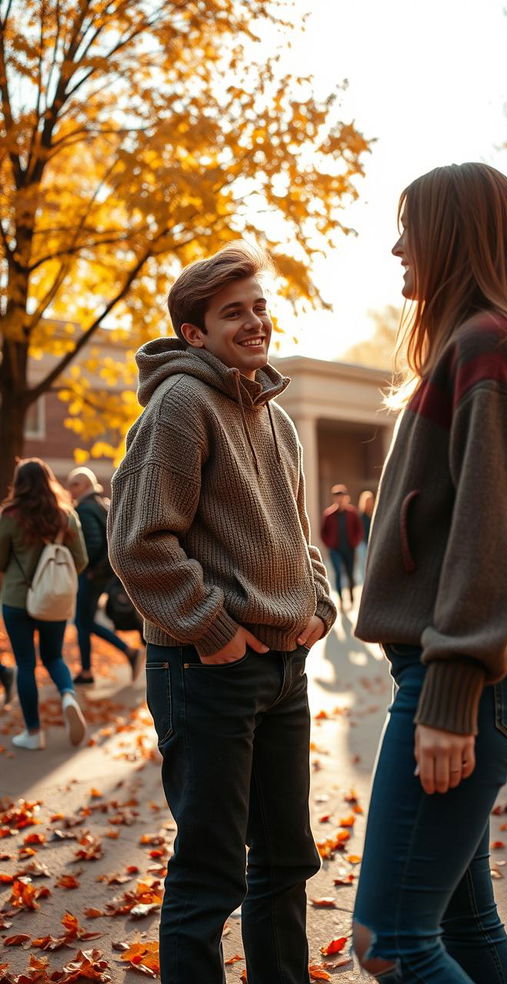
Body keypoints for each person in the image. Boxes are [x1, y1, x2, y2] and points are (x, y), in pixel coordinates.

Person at [352, 162, 507, 984]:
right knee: (459, 916)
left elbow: (495, 537)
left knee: (389, 944)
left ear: (454, 235)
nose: (396, 248)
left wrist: (449, 692)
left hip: (466, 680)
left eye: (409, 229)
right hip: (465, 672)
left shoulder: (490, 346)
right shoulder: (476, 344)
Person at [108, 241, 336, 984]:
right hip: (206, 670)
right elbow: (138, 542)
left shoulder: (277, 418)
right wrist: (212, 630)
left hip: (283, 669)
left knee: (284, 861)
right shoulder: (180, 406)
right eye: (233, 312)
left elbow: (299, 536)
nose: (255, 321)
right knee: (211, 874)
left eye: (260, 306)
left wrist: (319, 604)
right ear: (194, 333)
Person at [0, 458, 88, 749]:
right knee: (54, 657)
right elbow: (81, 559)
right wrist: (54, 579)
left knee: (25, 663)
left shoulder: (10, 515)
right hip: (54, 600)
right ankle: (67, 695)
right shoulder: (66, 515)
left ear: (20, 483)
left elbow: (0, 560)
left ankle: (34, 734)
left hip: (17, 599)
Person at [67, 467, 143, 684]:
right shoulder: (102, 505)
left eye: (75, 484)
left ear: (87, 485)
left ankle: (94, 668)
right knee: (84, 621)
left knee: (82, 622)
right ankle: (91, 668)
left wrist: (86, 569)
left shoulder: (85, 509)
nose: (70, 489)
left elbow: (93, 543)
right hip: (103, 574)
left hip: (92, 575)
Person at [320, 484, 364, 609]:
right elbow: (323, 533)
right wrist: (329, 544)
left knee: (350, 574)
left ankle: (351, 597)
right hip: (335, 550)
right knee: (338, 573)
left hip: (349, 549)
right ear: (334, 499)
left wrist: (355, 542)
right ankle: (340, 600)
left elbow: (359, 530)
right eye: (337, 497)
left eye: (341, 496)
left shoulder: (352, 513)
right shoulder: (328, 514)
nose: (339, 499)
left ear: (346, 497)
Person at [357, 489, 376, 582]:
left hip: (373, 542)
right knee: (363, 564)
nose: (369, 503)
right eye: (367, 501)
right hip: (362, 543)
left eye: (371, 500)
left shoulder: (375, 515)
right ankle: (365, 582)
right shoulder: (360, 516)